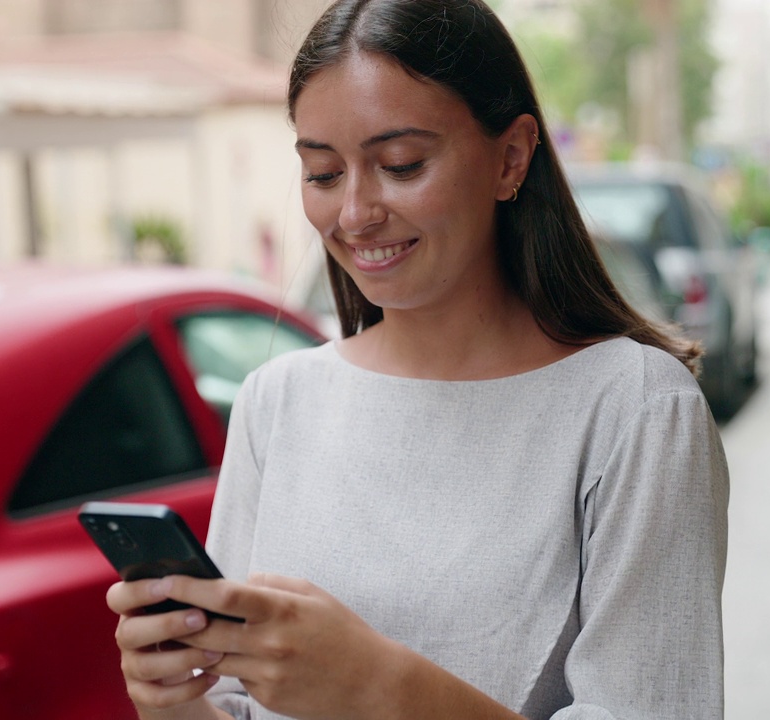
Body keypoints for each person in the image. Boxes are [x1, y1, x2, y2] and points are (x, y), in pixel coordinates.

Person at [105, 0, 729, 717]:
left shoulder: (636, 409)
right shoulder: (276, 400)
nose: (355, 213)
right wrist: (175, 703)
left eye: (401, 165)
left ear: (512, 157)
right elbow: (239, 703)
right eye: (323, 173)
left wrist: (378, 684)